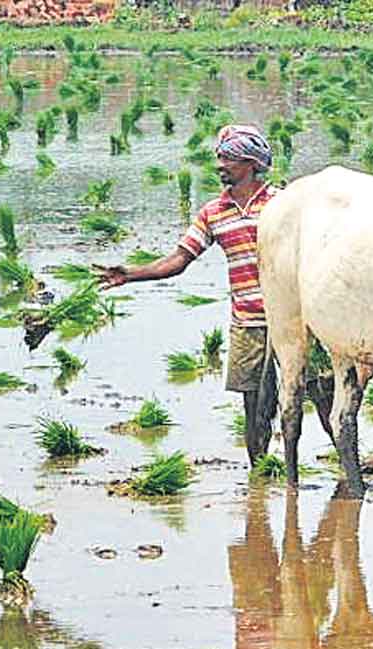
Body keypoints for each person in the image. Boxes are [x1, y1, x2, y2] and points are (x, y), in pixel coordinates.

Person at [96, 125, 279, 465]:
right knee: (254, 408)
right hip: (248, 321)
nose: (220, 165)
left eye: (228, 158)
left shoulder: (282, 204)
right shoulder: (213, 212)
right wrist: (131, 275)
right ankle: (260, 478)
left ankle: (346, 469)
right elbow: (179, 260)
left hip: (293, 321)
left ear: (252, 162)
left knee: (320, 392)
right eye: (219, 157)